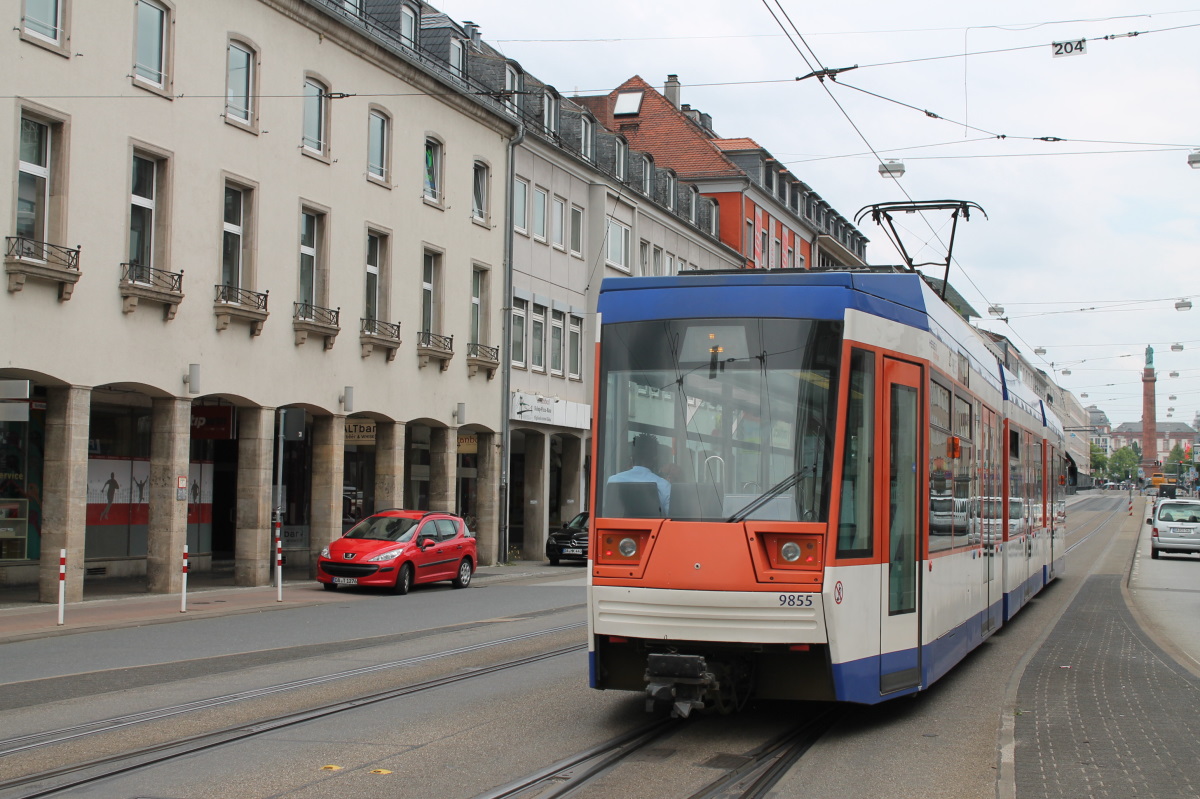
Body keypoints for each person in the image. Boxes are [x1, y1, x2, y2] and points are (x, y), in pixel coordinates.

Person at [608, 433, 671, 514]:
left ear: (632, 457)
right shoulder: (664, 485)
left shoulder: (613, 481)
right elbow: (670, 517)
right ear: (655, 459)